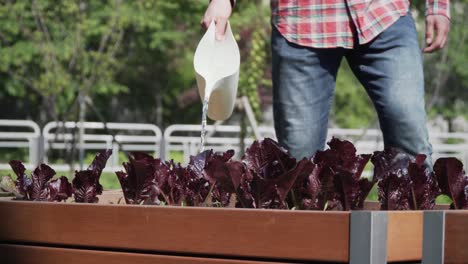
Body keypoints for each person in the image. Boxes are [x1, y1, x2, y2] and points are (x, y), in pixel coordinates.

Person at [201, 0, 450, 166]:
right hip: (302, 22)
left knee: (408, 133)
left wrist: (437, 5)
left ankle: (408, 239)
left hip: (383, 13)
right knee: (299, 159)